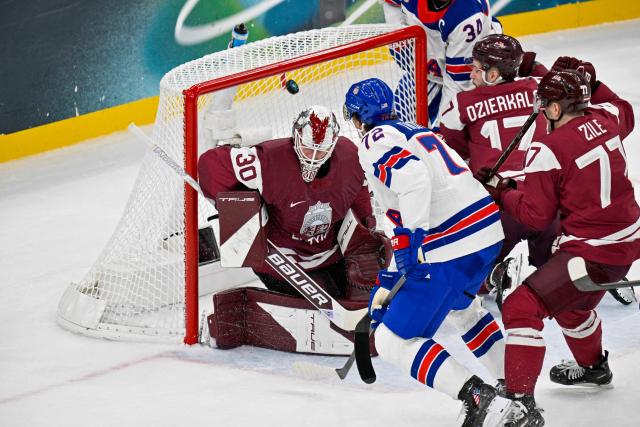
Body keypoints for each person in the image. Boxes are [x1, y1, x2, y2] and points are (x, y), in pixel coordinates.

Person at [476, 63, 639, 425]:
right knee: (571, 307)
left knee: (521, 307)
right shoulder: (608, 119)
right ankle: (594, 367)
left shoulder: (547, 148)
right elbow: (623, 107)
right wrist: (592, 81)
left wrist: (501, 191)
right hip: (627, 241)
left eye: (543, 105)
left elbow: (535, 216)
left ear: (553, 109)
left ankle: (518, 405)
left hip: (593, 251)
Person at [344, 77, 511, 426]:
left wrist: (409, 239)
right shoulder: (417, 129)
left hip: (452, 244)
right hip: (486, 234)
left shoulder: (373, 140)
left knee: (391, 340)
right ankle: (516, 390)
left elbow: (414, 180)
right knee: (464, 310)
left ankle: (481, 399)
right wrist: (402, 258)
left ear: (360, 118)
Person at [199, 105, 387, 302]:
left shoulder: (350, 158)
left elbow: (360, 200)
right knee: (319, 318)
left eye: (321, 151)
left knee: (360, 304)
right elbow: (210, 166)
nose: (312, 157)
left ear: (332, 146)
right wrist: (240, 210)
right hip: (280, 262)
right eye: (307, 147)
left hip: (332, 255)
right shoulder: (270, 160)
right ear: (295, 137)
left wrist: (366, 232)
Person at [439, 34, 560, 306]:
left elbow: (452, 156)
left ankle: (494, 276)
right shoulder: (541, 89)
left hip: (498, 209)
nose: (471, 73)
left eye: (477, 68)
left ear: (493, 74)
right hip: (547, 204)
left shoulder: (461, 105)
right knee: (553, 269)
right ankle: (578, 261)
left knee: (467, 283)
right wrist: (536, 66)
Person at [380, 0, 501, 127]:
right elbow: (390, 3)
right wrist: (400, 37)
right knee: (402, 114)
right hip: (437, 64)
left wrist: (441, 128)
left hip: (475, 73)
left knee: (461, 129)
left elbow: (460, 84)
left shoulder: (467, 16)